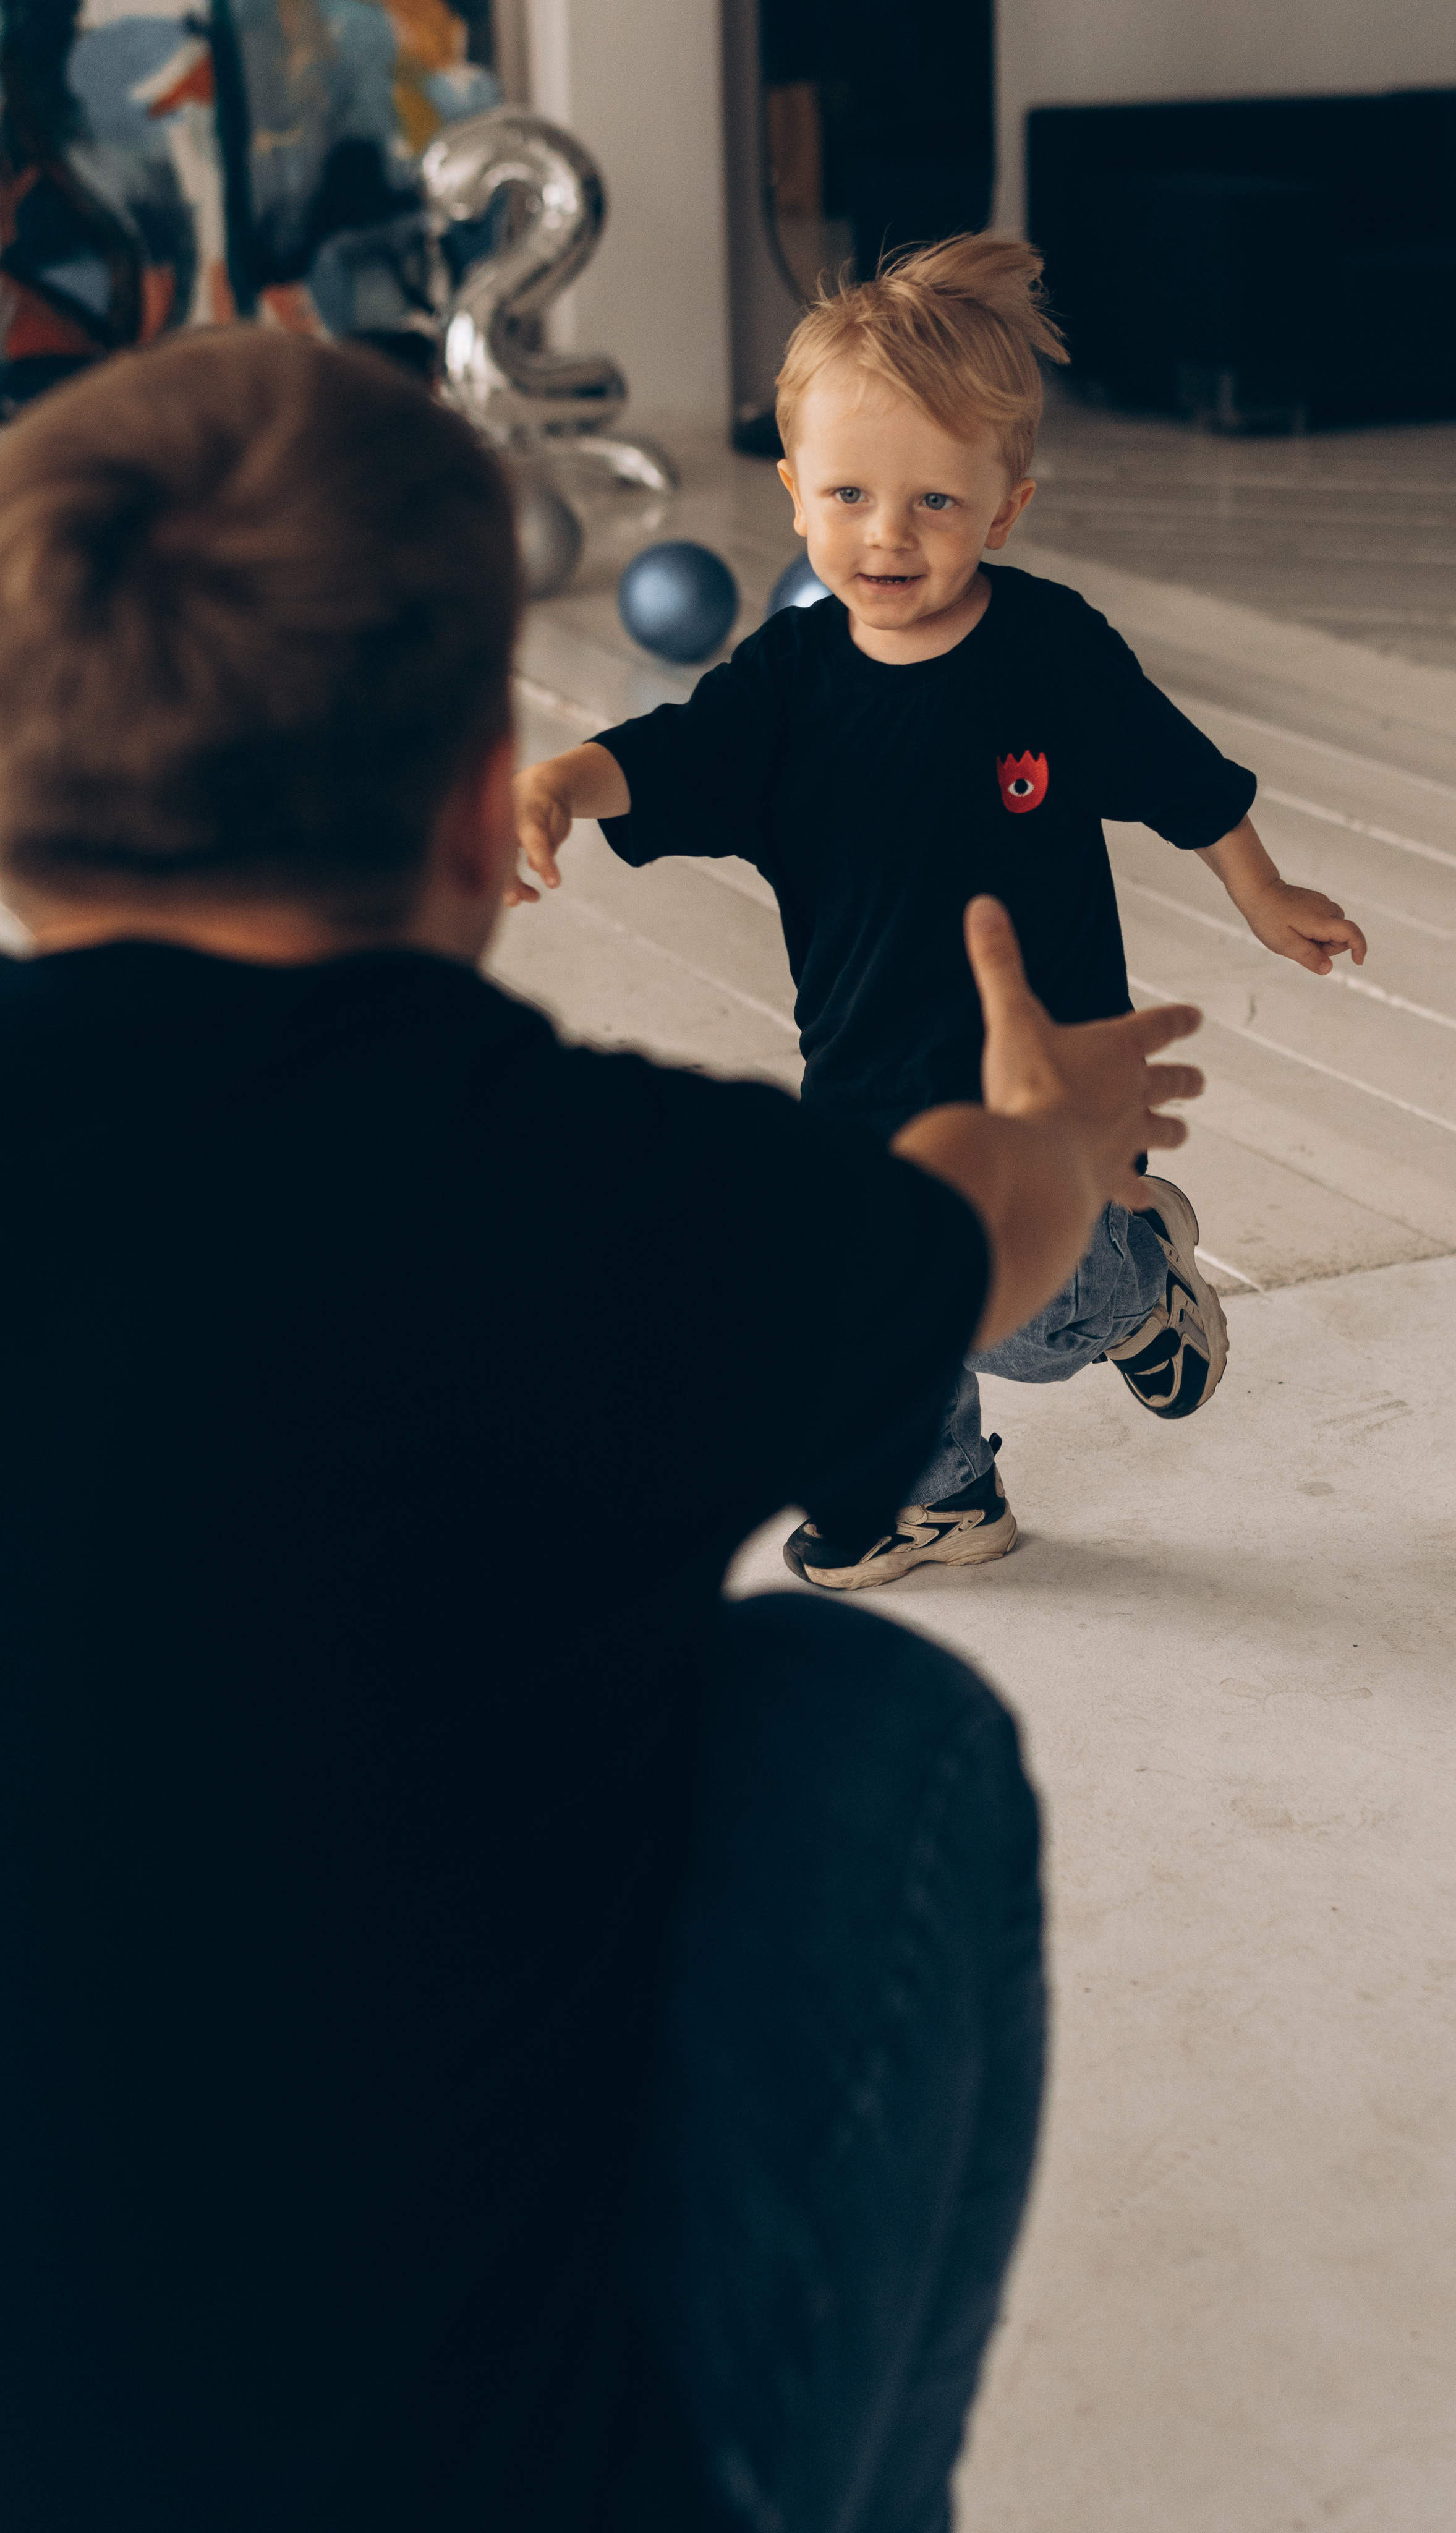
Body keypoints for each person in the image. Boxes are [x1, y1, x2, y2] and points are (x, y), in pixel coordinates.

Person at [0, 328, 1204, 2532]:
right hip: (479, 2469)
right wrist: (1054, 1127)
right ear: (485, 813)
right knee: (871, 1721)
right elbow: (976, 1220)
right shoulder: (602, 1199)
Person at [513, 233, 1370, 1591]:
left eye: (933, 501)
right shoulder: (790, 681)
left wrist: (1260, 889)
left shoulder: (1049, 650)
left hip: (1051, 1090)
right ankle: (938, 1494)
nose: (887, 534)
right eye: (849, 494)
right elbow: (672, 757)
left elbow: (1175, 772)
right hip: (864, 1073)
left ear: (1003, 510)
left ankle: (1135, 1278)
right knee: (867, 1292)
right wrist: (561, 784)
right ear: (793, 493)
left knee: (1016, 1317)